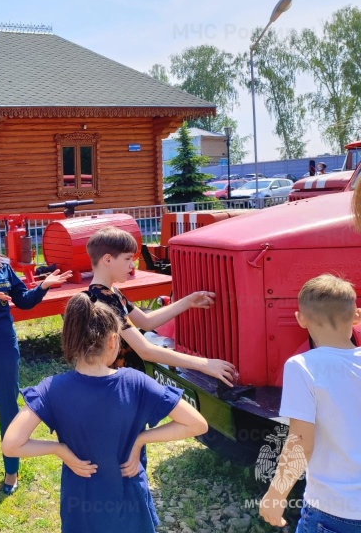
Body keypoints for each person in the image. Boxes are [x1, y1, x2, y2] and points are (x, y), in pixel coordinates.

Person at [1, 295, 208, 532]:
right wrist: (140, 439)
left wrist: (60, 450)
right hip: (131, 509)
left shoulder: (51, 388)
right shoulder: (136, 382)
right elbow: (197, 424)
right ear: (112, 341)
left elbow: (11, 445)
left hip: (81, 513)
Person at [0, 216, 72, 493]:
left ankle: (11, 470)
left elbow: (24, 302)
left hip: (4, 342)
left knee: (7, 405)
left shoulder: (2, 267)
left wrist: (43, 286)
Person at [259, 274, 361, 532]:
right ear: (357, 316)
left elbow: (300, 442)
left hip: (334, 510)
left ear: (300, 319)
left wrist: (276, 494)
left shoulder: (302, 366)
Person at [85, 227, 236, 384]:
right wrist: (205, 364)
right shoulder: (104, 299)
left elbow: (146, 322)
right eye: (128, 259)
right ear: (107, 260)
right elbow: (145, 351)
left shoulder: (110, 292)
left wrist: (187, 302)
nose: (132, 266)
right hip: (116, 384)